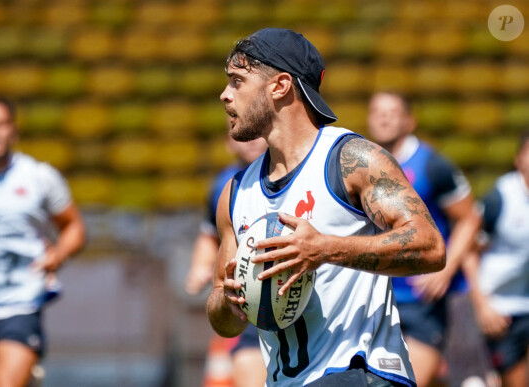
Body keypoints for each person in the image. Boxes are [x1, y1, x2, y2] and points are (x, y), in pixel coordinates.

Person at [206, 28, 446, 387]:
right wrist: (227, 300)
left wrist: (325, 249)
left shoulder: (352, 159)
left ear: (280, 85)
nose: (225, 95)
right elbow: (224, 323)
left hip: (362, 372)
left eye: (238, 82)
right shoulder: (236, 193)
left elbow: (430, 247)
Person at [0, 96, 86, 387]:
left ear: (14, 130)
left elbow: (73, 226)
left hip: (20, 305)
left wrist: (58, 253)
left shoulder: (39, 177)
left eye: (1, 124)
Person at [366, 91, 482, 386]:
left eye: (392, 111)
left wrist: (447, 266)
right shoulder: (360, 165)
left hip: (423, 299)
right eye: (378, 111)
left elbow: (469, 218)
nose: (384, 117)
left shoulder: (433, 165)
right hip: (378, 297)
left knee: (408, 381)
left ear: (410, 121)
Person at [185, 133, 268, 387]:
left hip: (295, 296)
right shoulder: (224, 185)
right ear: (229, 141)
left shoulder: (292, 175)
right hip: (249, 301)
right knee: (246, 362)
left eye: (257, 135)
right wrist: (200, 267)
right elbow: (211, 233)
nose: (251, 141)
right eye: (244, 136)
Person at [467, 130, 529, 387]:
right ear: (518, 159)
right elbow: (468, 252)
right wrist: (482, 306)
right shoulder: (500, 199)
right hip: (499, 309)